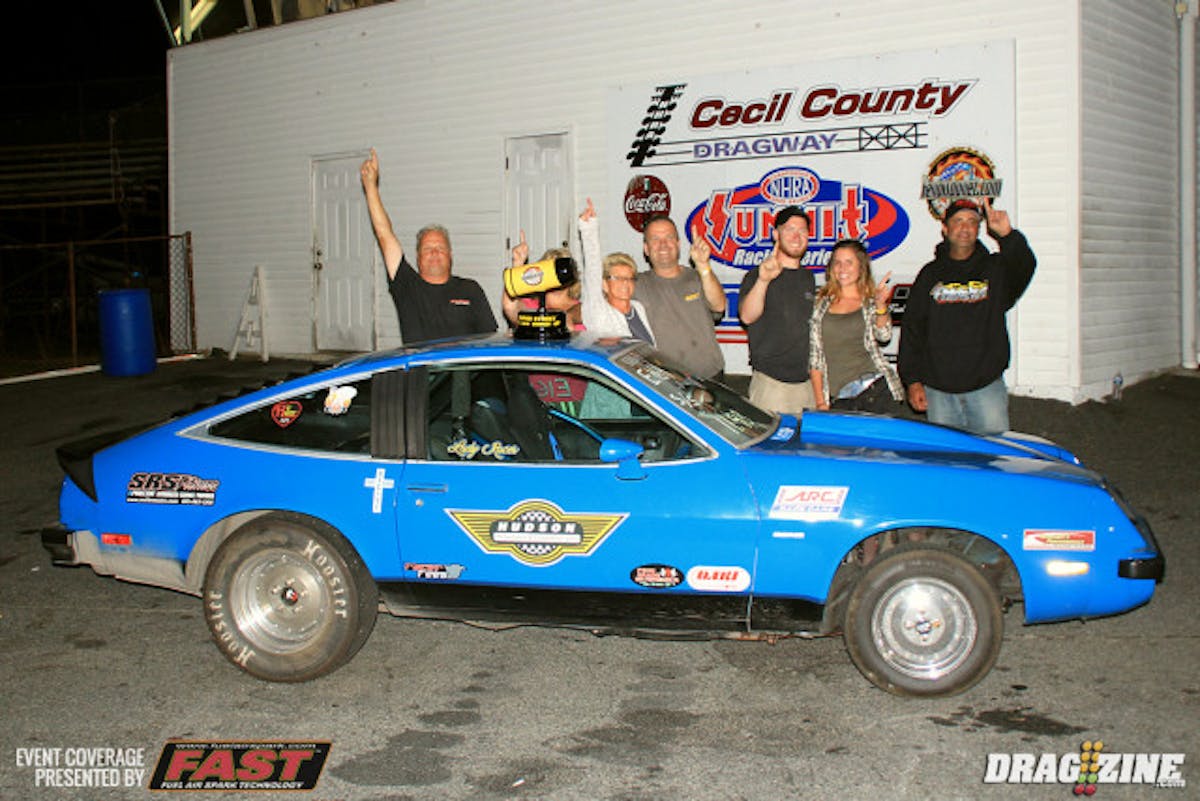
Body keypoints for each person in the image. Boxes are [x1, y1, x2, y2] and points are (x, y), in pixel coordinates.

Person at [898, 197, 1036, 434]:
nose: (965, 227)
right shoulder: (930, 275)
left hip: (985, 387)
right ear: (945, 228)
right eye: (958, 221)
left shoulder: (995, 269)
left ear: (978, 230)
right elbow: (912, 329)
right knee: (948, 464)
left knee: (995, 457)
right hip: (938, 391)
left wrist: (1008, 235)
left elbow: (1025, 266)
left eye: (972, 222)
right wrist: (912, 381)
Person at [360, 148, 497, 343]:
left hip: (462, 374)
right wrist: (371, 187)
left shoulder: (471, 289)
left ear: (450, 255)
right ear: (417, 257)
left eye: (440, 248)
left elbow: (489, 340)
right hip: (420, 373)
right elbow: (384, 235)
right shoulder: (407, 287)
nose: (434, 252)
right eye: (427, 248)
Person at [737, 205, 817, 414]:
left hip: (806, 386)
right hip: (771, 386)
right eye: (790, 229)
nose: (796, 236)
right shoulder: (757, 275)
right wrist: (764, 280)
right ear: (776, 234)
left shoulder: (809, 278)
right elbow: (747, 316)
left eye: (802, 231)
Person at [808, 239, 904, 411]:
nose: (842, 268)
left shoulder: (869, 302)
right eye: (837, 262)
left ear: (861, 267)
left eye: (849, 262)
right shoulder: (820, 304)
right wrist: (821, 402)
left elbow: (884, 335)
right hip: (840, 398)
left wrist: (881, 305)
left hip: (875, 392)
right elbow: (815, 359)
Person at [635, 214, 726, 378]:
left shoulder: (699, 277)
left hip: (709, 378)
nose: (663, 244)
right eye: (655, 239)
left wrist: (704, 266)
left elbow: (719, 306)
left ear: (678, 244)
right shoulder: (636, 284)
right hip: (664, 383)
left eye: (669, 237)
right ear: (646, 249)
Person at [576, 199, 655, 344]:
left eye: (629, 278)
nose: (625, 283)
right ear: (604, 284)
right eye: (618, 278)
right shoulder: (598, 311)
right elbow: (592, 271)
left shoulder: (638, 308)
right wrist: (588, 228)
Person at [500, 231, 583, 331]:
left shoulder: (580, 309)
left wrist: (568, 318)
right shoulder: (531, 306)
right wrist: (517, 265)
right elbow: (510, 308)